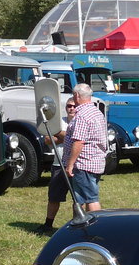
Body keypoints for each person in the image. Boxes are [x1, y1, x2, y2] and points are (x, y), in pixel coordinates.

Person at [43, 84, 110, 231]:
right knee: (81, 198)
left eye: (74, 96)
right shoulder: (96, 112)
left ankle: (98, 230)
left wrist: (70, 164)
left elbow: (79, 142)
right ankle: (81, 228)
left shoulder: (82, 115)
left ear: (77, 96)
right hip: (94, 162)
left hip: (84, 164)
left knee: (90, 199)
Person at [39, 97, 75, 233]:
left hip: (75, 165)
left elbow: (73, 138)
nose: (71, 108)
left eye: (73, 106)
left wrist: (58, 135)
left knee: (78, 198)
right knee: (53, 197)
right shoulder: (60, 122)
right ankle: (48, 224)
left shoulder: (79, 122)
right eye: (68, 106)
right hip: (58, 164)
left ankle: (76, 226)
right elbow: (47, 139)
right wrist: (65, 136)